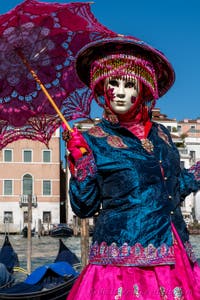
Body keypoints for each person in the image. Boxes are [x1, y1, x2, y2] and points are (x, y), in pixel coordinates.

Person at [63, 35, 200, 299]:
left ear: (145, 90)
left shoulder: (161, 134)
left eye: (129, 84)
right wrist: (81, 162)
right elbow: (84, 207)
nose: (121, 92)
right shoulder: (94, 139)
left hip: (175, 255)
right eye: (113, 83)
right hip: (121, 265)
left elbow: (175, 186)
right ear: (103, 89)